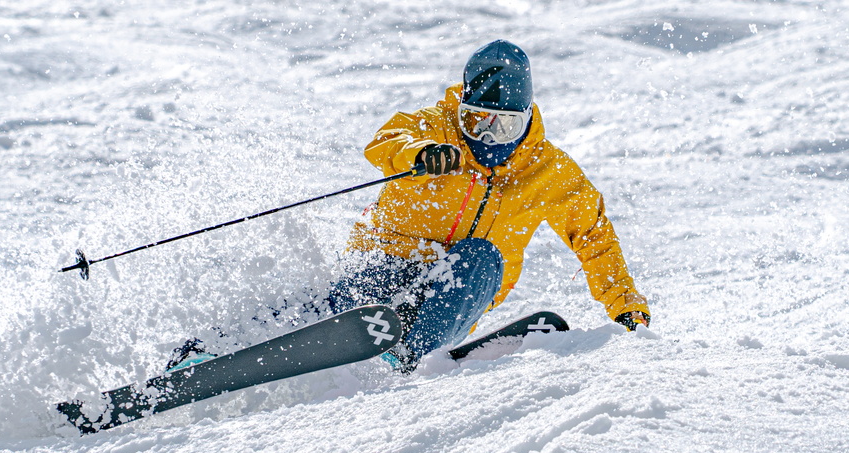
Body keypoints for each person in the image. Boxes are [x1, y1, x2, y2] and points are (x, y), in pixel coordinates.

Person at [168, 39, 648, 374]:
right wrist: (418, 154)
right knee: (332, 309)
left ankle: (402, 358)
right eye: (474, 122)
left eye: (500, 128)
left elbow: (594, 235)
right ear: (460, 108)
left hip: (454, 292)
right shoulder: (436, 128)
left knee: (484, 260)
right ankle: (209, 353)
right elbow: (386, 140)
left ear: (526, 120)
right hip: (388, 262)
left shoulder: (548, 171)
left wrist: (624, 305)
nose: (484, 139)